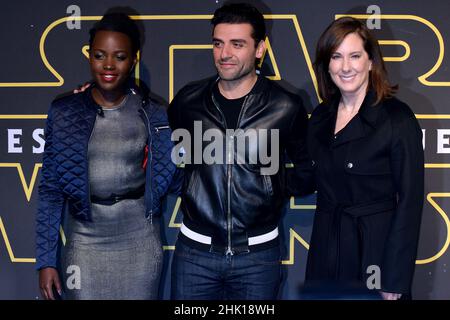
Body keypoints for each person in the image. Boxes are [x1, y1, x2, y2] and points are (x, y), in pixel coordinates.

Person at [168, 2, 314, 300]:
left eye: (237, 44)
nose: (225, 54)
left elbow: (307, 171)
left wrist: (270, 187)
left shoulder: (285, 106)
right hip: (195, 253)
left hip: (258, 257)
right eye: (218, 43)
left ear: (259, 49)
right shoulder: (188, 100)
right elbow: (163, 148)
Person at [35, 12, 178, 299]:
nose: (108, 65)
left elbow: (175, 177)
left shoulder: (154, 113)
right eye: (100, 55)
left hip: (140, 240)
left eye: (119, 56)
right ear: (90, 57)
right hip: (84, 243)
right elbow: (50, 190)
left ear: (134, 59)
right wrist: (46, 261)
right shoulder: (64, 113)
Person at [305, 17, 424, 300]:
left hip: (374, 254)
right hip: (326, 251)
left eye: (355, 56)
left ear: (371, 62)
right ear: (327, 64)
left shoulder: (397, 118)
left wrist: (393, 279)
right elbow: (307, 178)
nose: (345, 67)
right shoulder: (320, 117)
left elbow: (410, 201)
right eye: (336, 57)